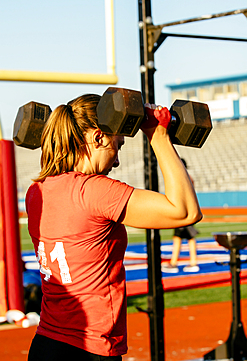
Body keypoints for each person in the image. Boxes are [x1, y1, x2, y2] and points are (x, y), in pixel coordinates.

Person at [26, 94, 202, 361]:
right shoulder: (94, 192)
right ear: (98, 138)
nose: (117, 161)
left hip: (46, 344)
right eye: (117, 146)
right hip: (89, 349)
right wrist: (157, 134)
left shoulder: (36, 190)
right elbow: (186, 211)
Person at [163, 158, 200, 274]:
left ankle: (186, 263)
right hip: (187, 210)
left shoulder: (184, 177)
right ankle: (177, 262)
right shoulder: (188, 177)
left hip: (184, 211)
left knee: (186, 237)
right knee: (182, 237)